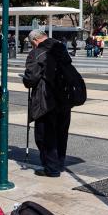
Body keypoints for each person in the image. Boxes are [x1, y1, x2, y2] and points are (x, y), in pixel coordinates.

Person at [22, 29, 73, 177]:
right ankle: (59, 163)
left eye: (32, 44)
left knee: (44, 134)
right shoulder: (61, 48)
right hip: (64, 98)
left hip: (46, 99)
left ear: (35, 40)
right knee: (61, 132)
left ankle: (51, 168)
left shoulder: (36, 53)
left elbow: (30, 79)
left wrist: (25, 79)